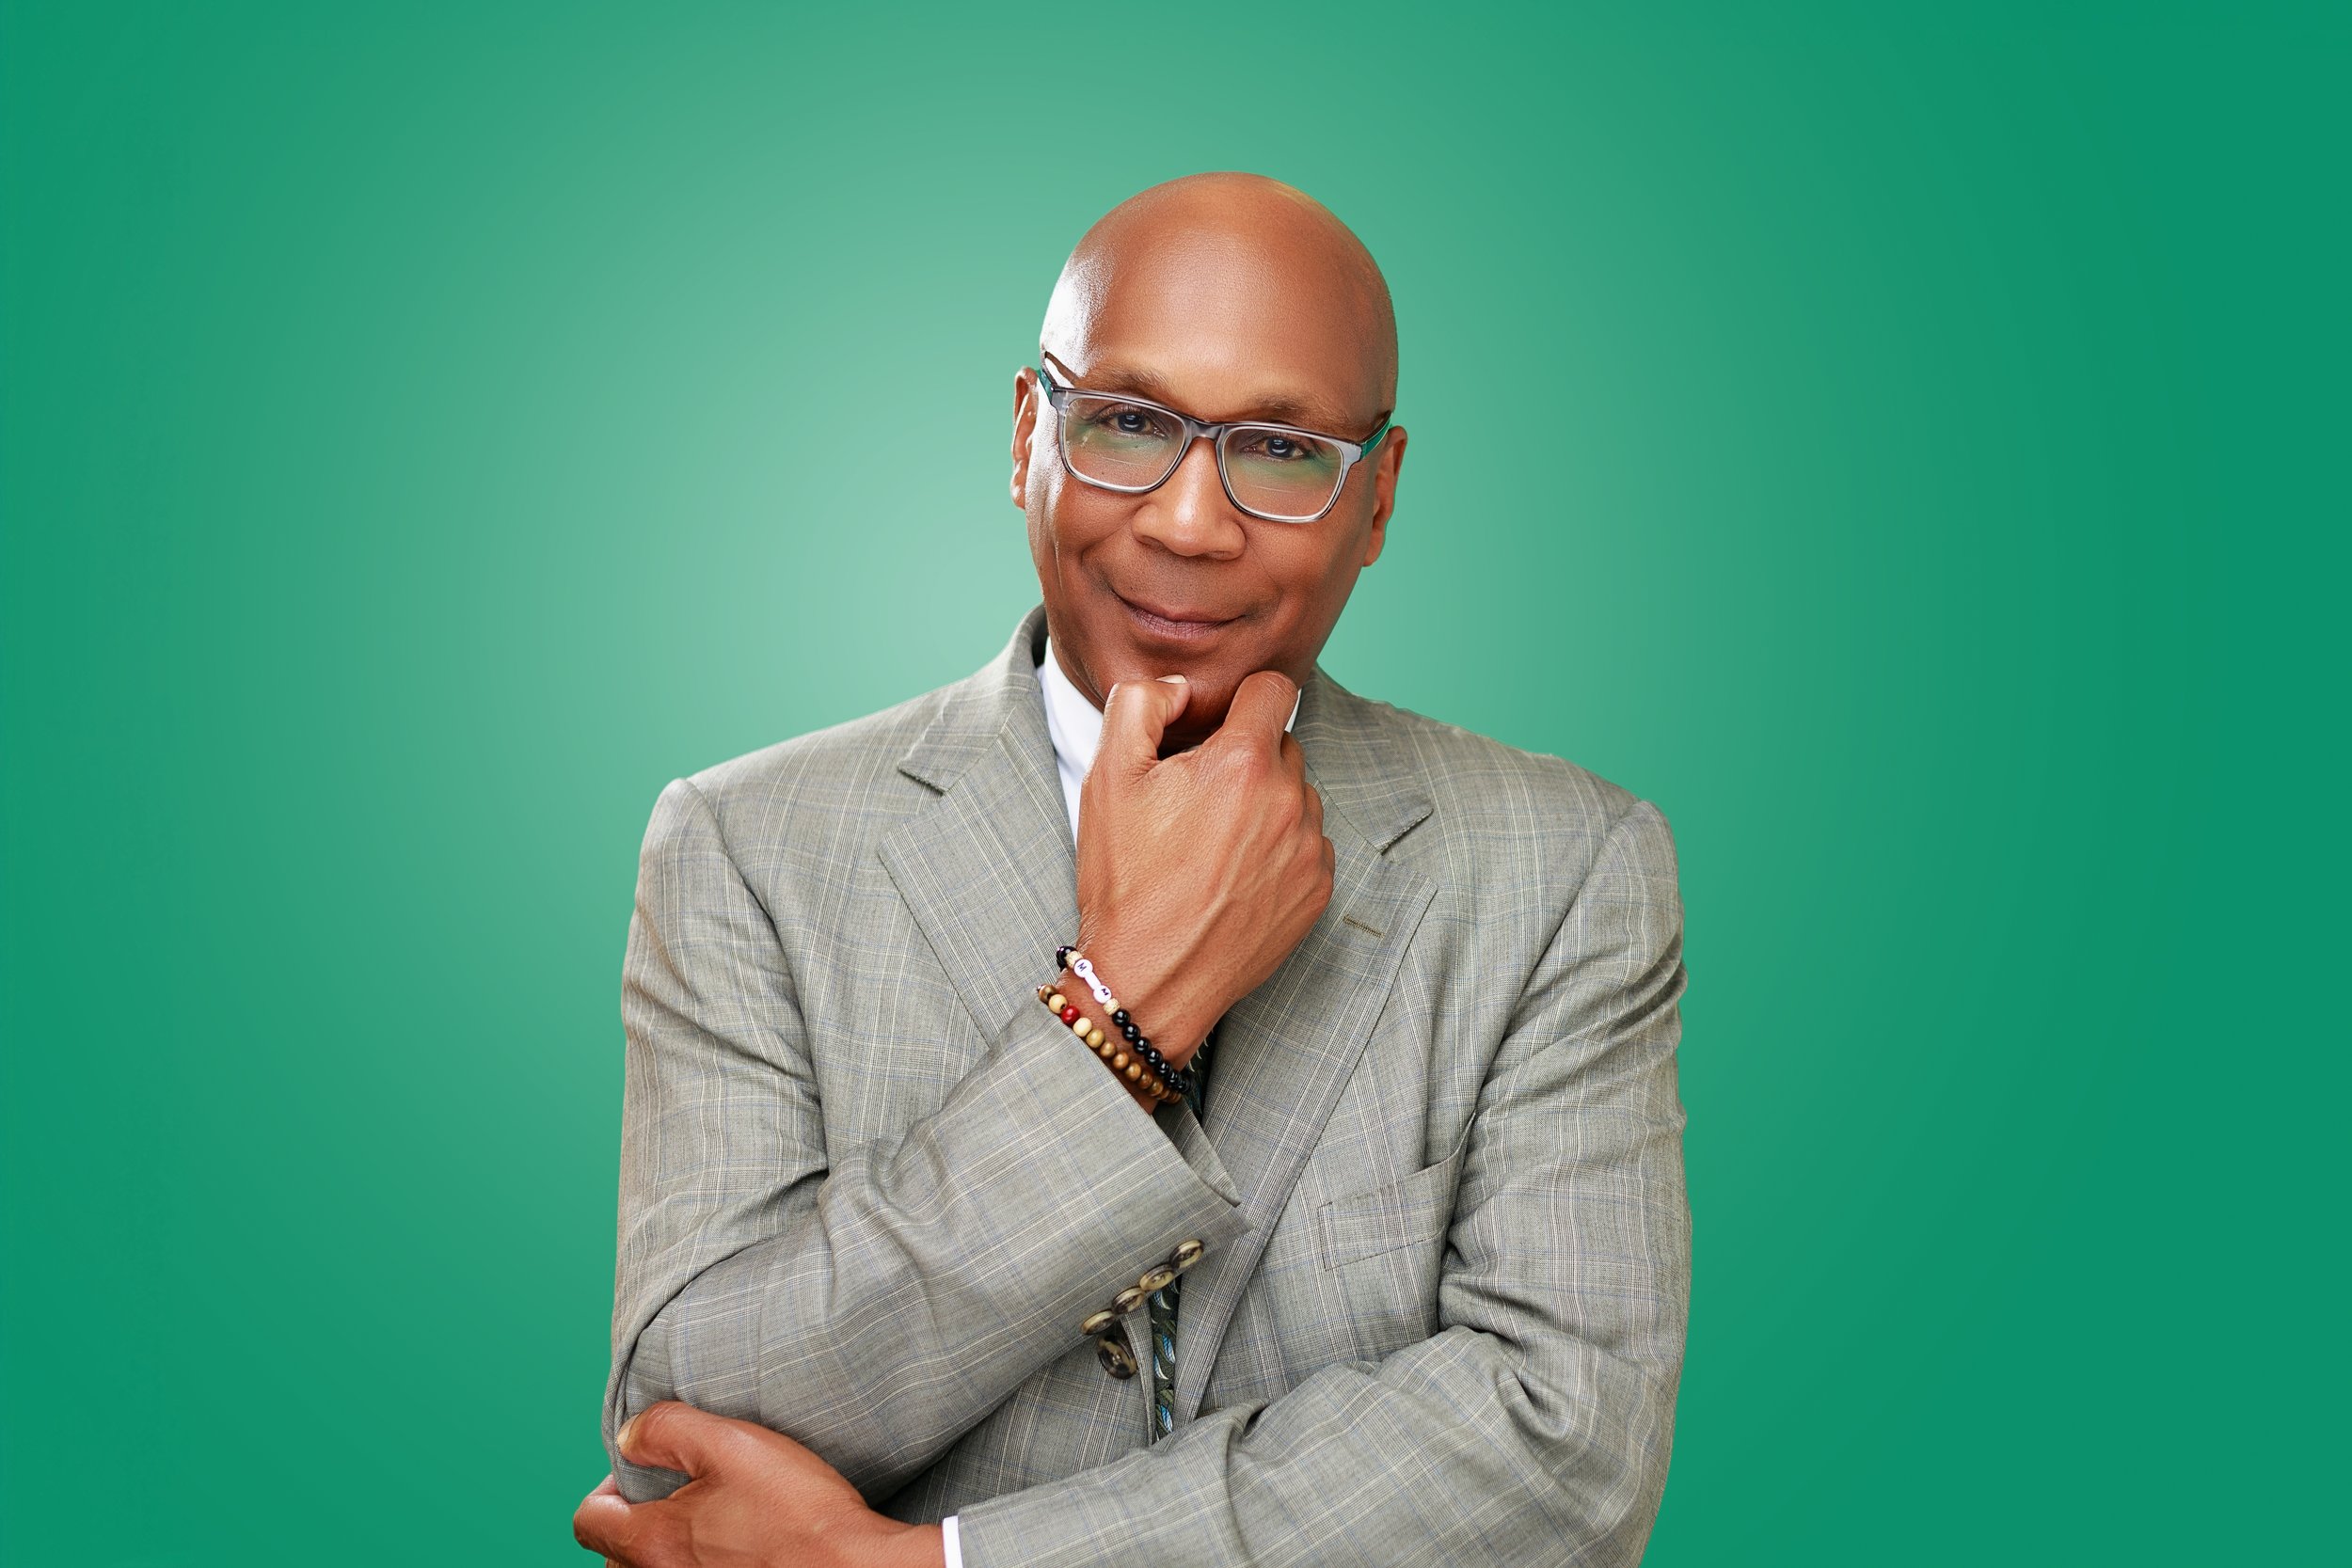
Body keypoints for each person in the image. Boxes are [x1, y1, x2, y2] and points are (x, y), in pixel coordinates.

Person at [573, 172, 1691, 1568]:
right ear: (1029, 432)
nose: (1187, 524)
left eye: (1281, 449)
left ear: (1382, 495)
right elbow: (686, 1421)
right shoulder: (747, 847)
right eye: (1129, 427)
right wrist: (1127, 1008)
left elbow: (1561, 1450)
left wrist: (938, 1567)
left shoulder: (1568, 871)